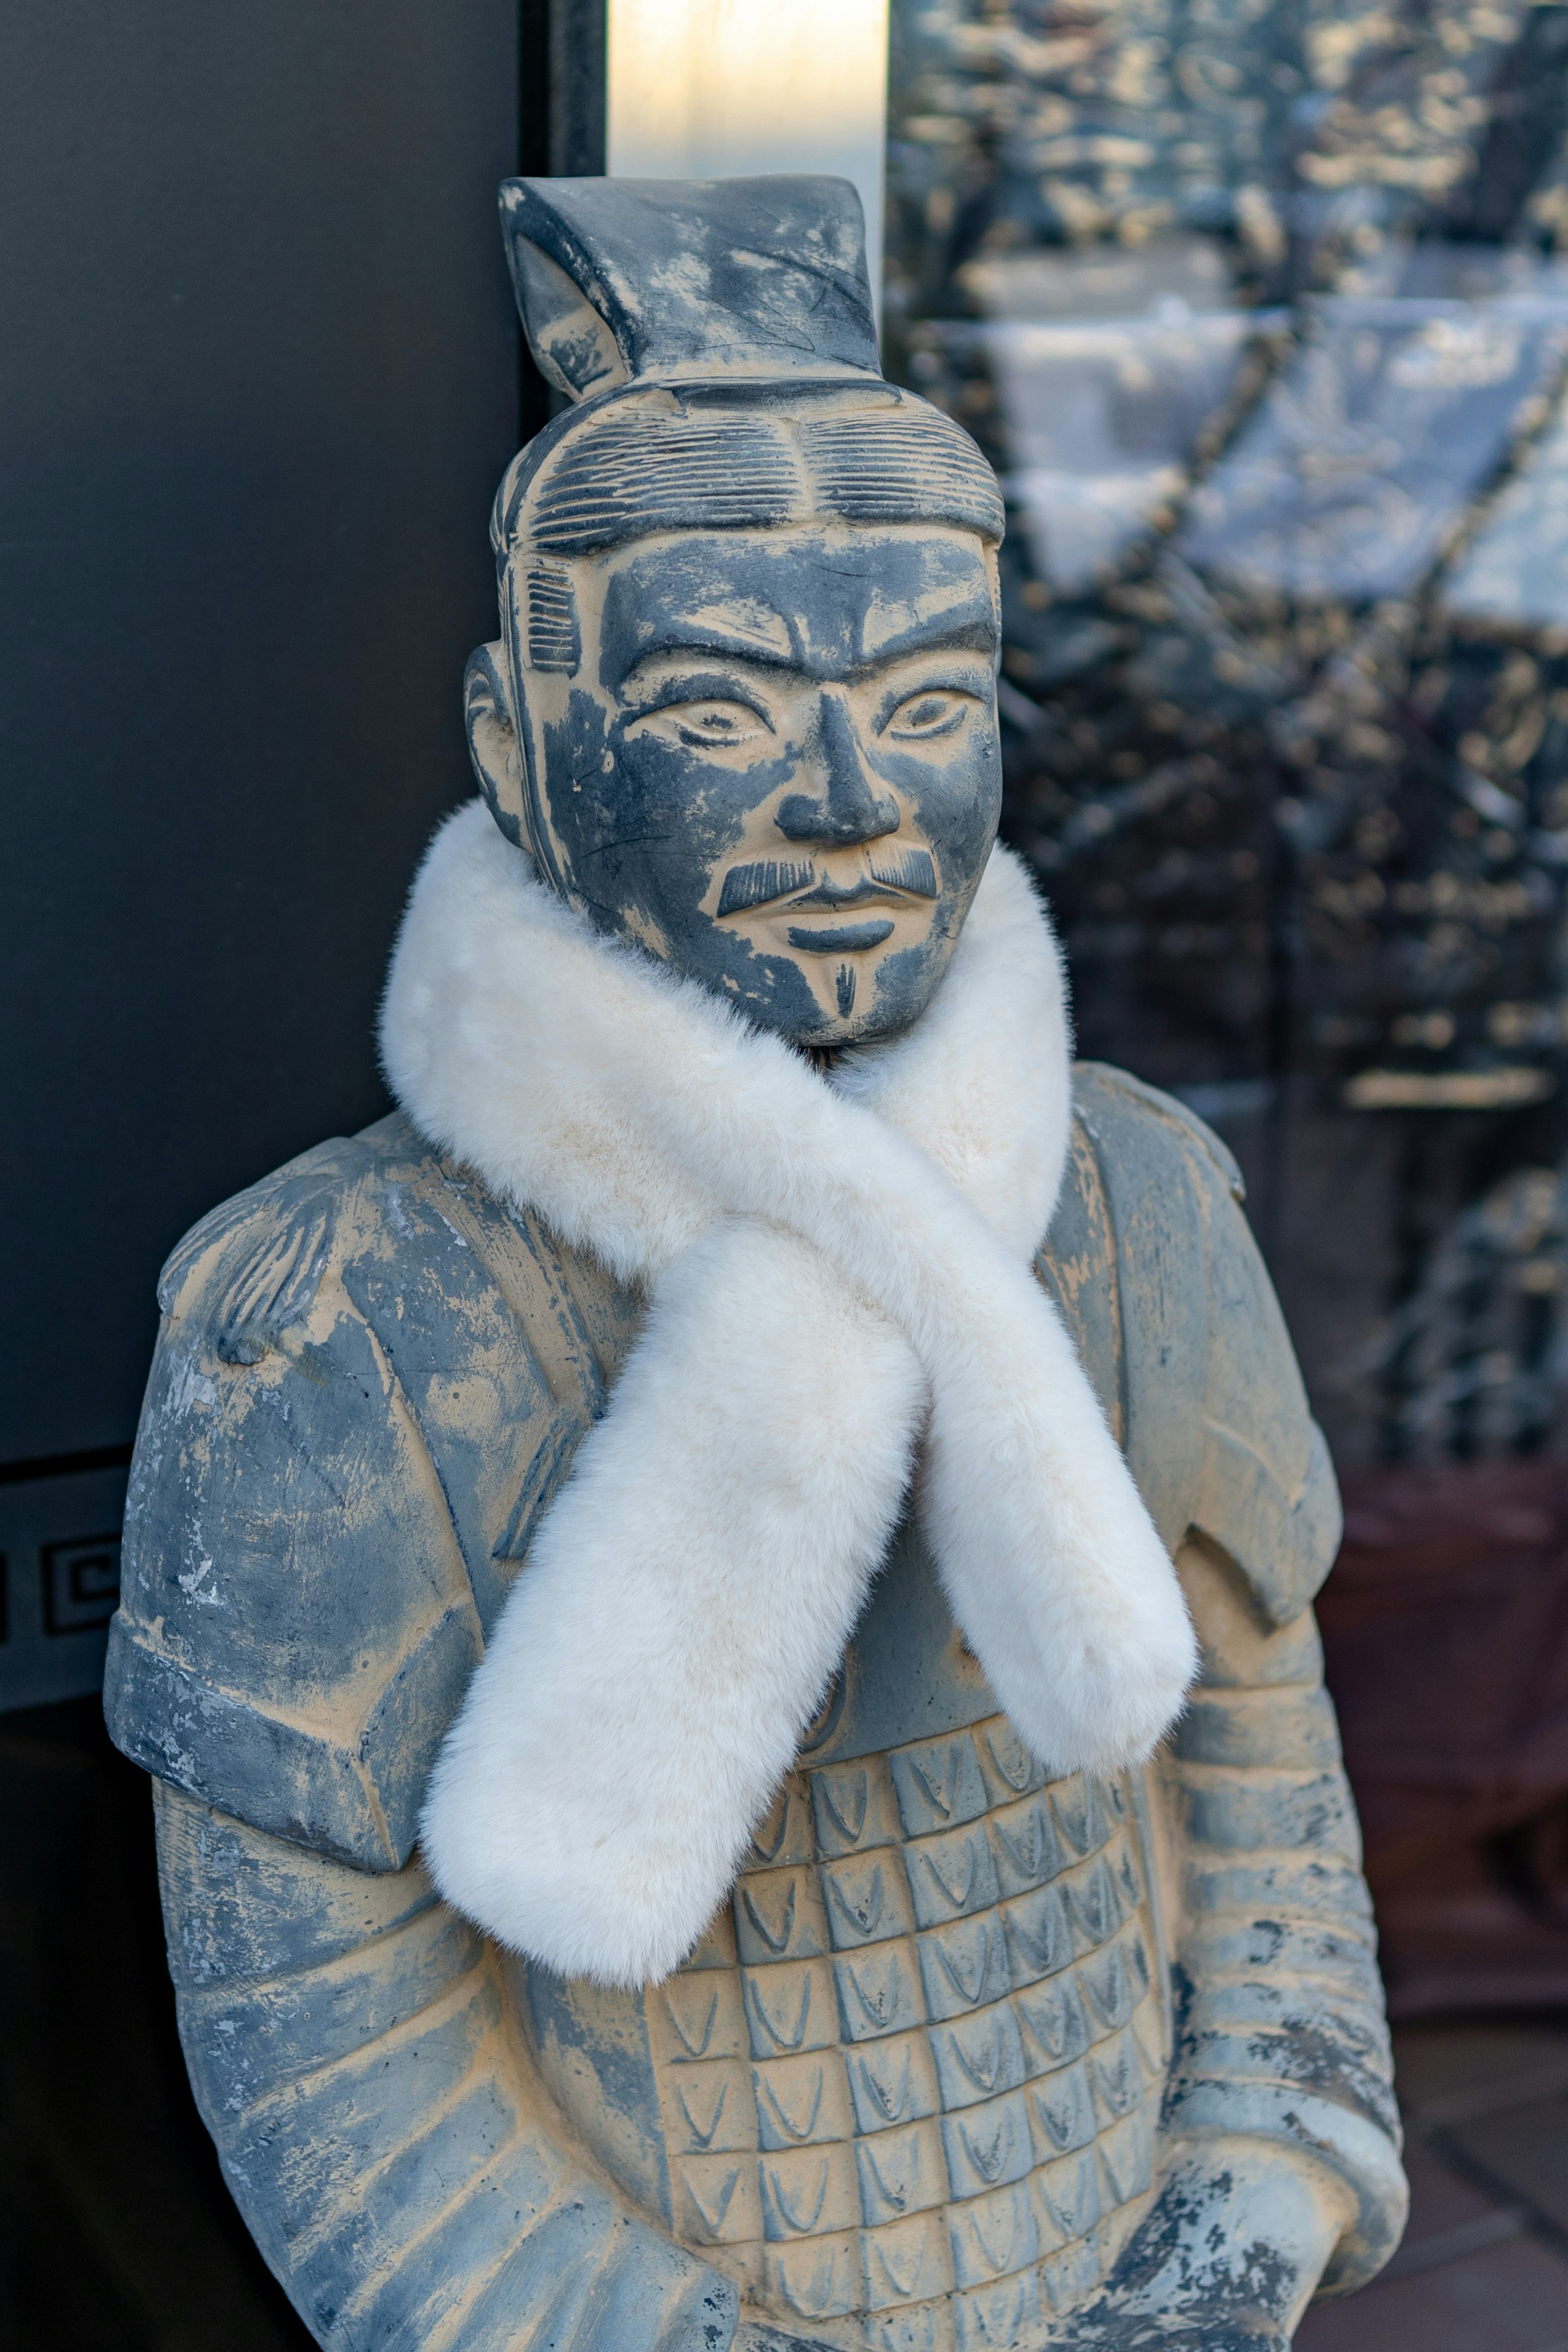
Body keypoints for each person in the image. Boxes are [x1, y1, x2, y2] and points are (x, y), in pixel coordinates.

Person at [105, 177, 1405, 2351]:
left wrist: (1225, 2248)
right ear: (524, 751)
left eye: (922, 703)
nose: (842, 802)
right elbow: (325, 2048)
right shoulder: (348, 1313)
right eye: (716, 716)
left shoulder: (1131, 1200)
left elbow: (1264, 1774)